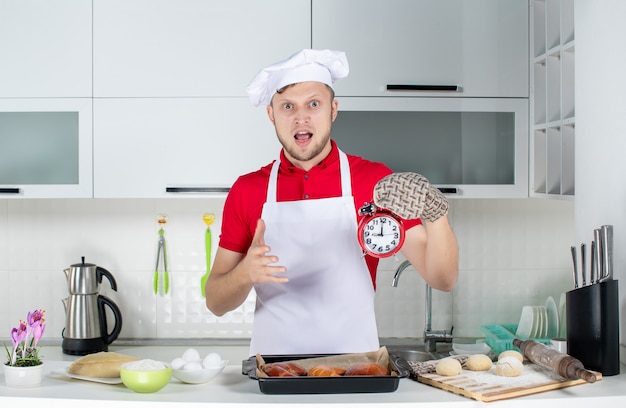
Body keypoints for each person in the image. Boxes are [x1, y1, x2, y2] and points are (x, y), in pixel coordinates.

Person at [205, 49, 458, 356]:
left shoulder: (375, 182)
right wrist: (245, 272)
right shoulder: (248, 190)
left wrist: (436, 214)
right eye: (288, 106)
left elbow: (442, 279)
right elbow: (216, 302)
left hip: (357, 369)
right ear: (271, 114)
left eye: (314, 104)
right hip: (274, 372)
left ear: (333, 109)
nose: (301, 117)